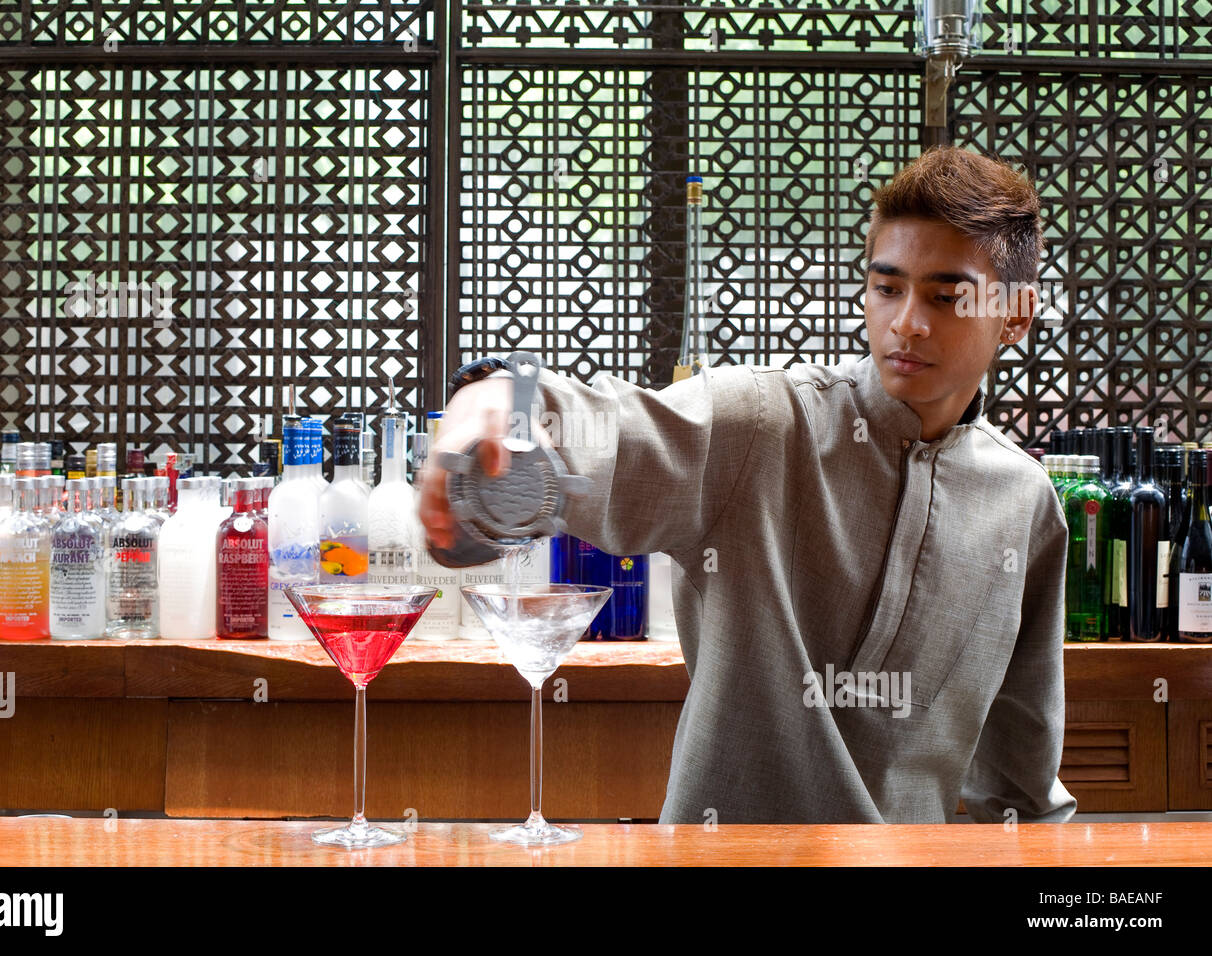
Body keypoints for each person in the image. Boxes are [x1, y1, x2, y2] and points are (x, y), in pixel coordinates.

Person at [419, 145, 1076, 824]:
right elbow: (603, 426)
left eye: (946, 297)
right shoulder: (760, 424)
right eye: (887, 288)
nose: (906, 321)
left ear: (1015, 314)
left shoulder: (1024, 503)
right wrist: (492, 405)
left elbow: (1023, 795)